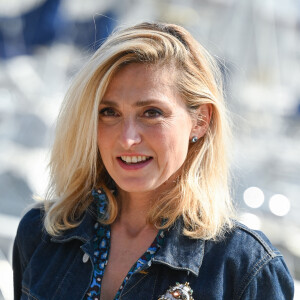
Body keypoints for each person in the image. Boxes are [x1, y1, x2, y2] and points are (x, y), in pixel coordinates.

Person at [13, 22, 294, 300]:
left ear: (200, 121)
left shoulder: (244, 267)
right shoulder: (42, 233)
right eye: (109, 112)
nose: (127, 138)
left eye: (151, 112)